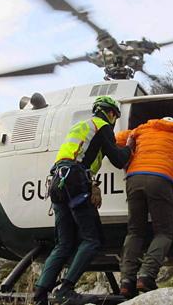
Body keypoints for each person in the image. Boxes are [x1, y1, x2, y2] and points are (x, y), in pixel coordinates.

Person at [33, 96, 132, 305]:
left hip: (58, 182)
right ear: (111, 113)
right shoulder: (102, 126)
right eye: (115, 116)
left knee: (64, 243)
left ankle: (40, 294)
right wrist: (130, 146)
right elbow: (118, 159)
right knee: (92, 239)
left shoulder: (81, 126)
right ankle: (65, 290)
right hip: (77, 182)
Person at [115, 117, 173, 298]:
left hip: (134, 178)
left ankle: (127, 281)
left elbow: (118, 138)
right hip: (160, 179)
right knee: (163, 232)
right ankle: (146, 276)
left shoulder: (142, 129)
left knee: (135, 231)